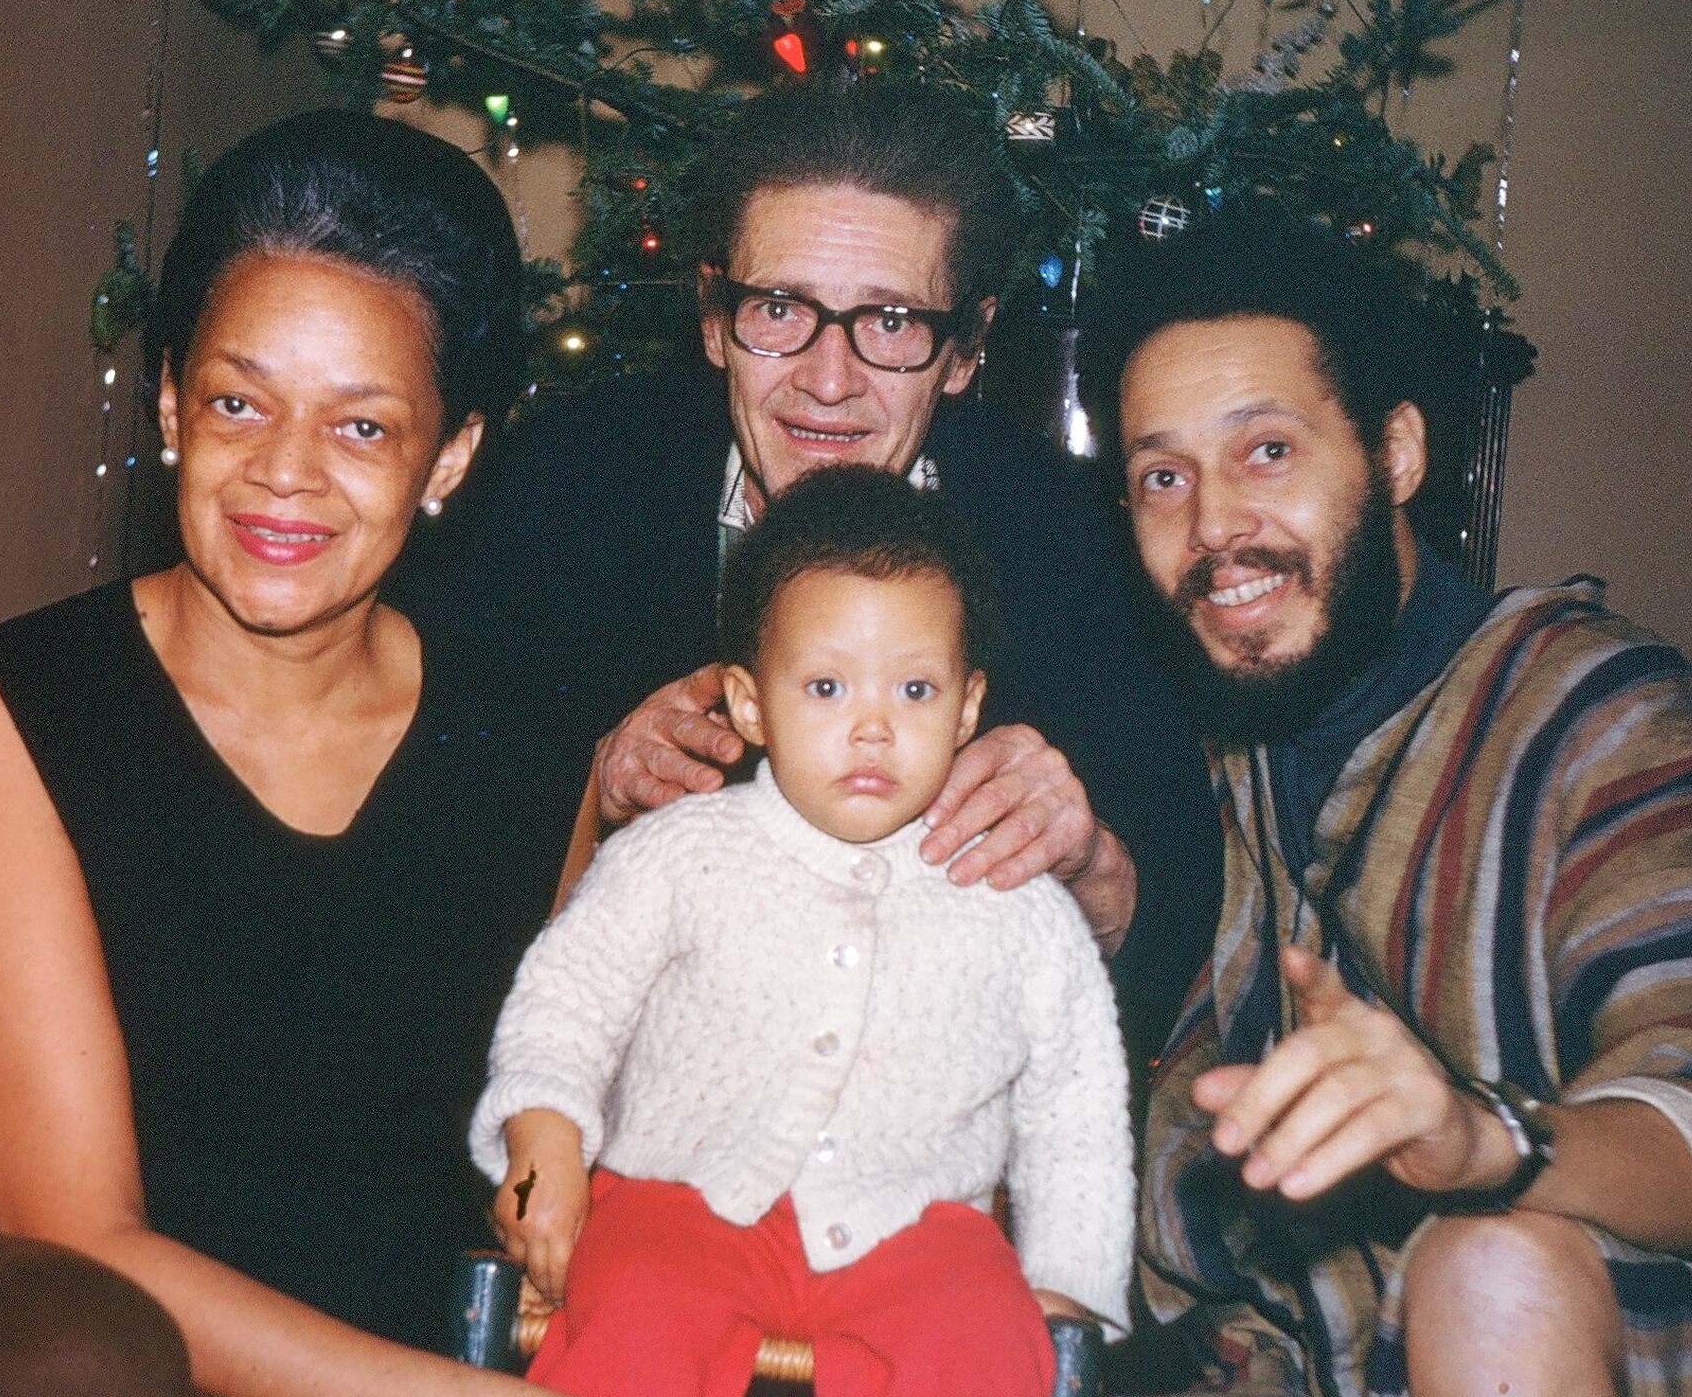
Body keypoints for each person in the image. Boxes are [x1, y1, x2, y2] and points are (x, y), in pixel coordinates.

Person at [0, 112, 793, 1397]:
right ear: (171, 404)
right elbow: (79, 1245)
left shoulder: (533, 742)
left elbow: (546, 1148)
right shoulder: (17, 708)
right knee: (86, 1364)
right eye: (239, 403)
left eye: (364, 426)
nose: (285, 476)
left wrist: (734, 1381)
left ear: (454, 457)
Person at [1016, 215, 1692, 1397]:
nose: (1214, 528)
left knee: (1490, 1275)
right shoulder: (1209, 746)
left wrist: (1485, 1140)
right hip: (1309, 1361)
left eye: (1268, 452)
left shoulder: (1596, 709)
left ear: (1401, 454)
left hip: (1591, 1353)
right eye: (1160, 478)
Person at [398, 82, 1218, 1063]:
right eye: (779, 308)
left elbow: (1173, 940)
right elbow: (417, 889)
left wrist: (1090, 869)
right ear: (711, 319)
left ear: (961, 351)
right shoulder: (553, 488)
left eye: (890, 322)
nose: (827, 379)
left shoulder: (1072, 543)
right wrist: (586, 797)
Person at [470, 467, 1134, 1397]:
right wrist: (541, 1140)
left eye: (915, 687)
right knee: (634, 1286)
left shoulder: (1013, 896)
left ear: (969, 705)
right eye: (825, 685)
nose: (872, 724)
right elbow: (561, 1002)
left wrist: (1070, 1280)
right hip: (690, 1193)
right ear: (750, 699)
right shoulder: (680, 852)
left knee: (981, 1320)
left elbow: (1076, 1096)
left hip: (910, 1221)